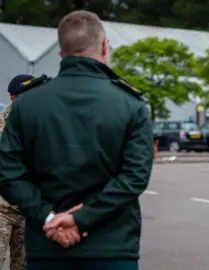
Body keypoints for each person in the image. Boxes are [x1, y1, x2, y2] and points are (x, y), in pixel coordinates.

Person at [0, 10, 153, 270]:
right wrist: (81, 218)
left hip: (46, 249)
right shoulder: (130, 104)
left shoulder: (26, 104)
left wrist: (48, 217)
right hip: (111, 249)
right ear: (105, 46)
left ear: (61, 53)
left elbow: (8, 173)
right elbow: (135, 176)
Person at [0, 74, 36, 270]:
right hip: (1, 210)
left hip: (28, 212)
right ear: (13, 98)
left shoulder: (42, 126)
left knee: (22, 266)